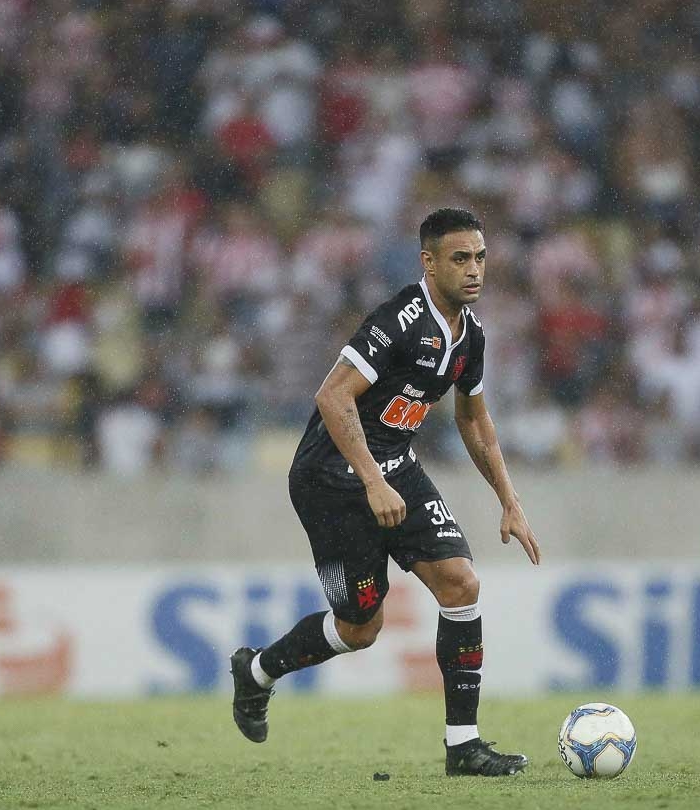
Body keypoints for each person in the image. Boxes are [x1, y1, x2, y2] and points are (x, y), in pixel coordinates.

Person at [230, 208, 541, 776]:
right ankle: (257, 672)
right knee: (360, 628)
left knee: (461, 582)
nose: (474, 270)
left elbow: (473, 419)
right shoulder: (399, 320)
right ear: (429, 263)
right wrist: (372, 480)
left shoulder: (471, 334)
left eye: (480, 258)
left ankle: (464, 747)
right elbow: (332, 397)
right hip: (330, 478)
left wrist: (510, 500)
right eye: (460, 259)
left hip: (394, 465)